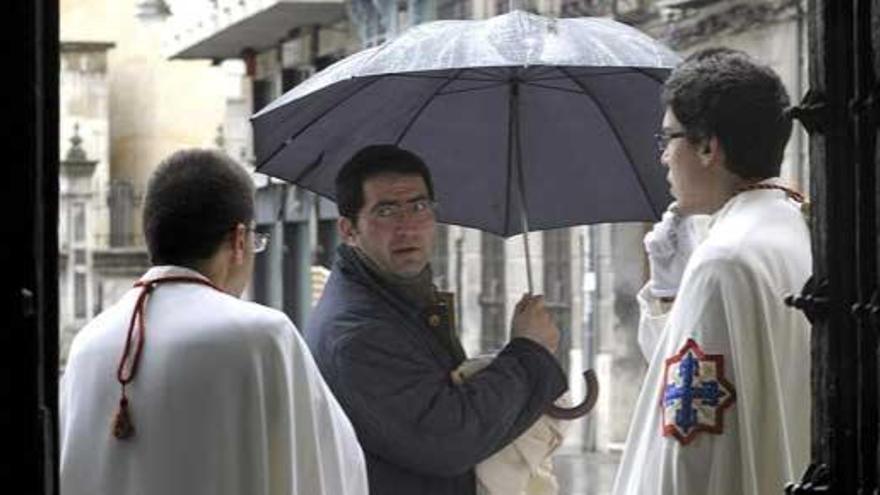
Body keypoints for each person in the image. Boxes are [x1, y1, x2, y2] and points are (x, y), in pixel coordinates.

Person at [59, 149, 368, 495]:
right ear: (239, 241)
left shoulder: (88, 344)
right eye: (256, 241)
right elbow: (337, 472)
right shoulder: (262, 338)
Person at [305, 144, 568, 495]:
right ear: (348, 230)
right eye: (386, 211)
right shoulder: (355, 332)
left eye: (419, 207)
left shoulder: (401, 300)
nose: (408, 228)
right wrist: (527, 352)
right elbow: (448, 438)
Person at [611, 48, 812, 495]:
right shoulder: (794, 225)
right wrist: (670, 291)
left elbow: (691, 441)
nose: (663, 158)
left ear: (707, 146)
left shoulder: (722, 259)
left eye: (669, 140)